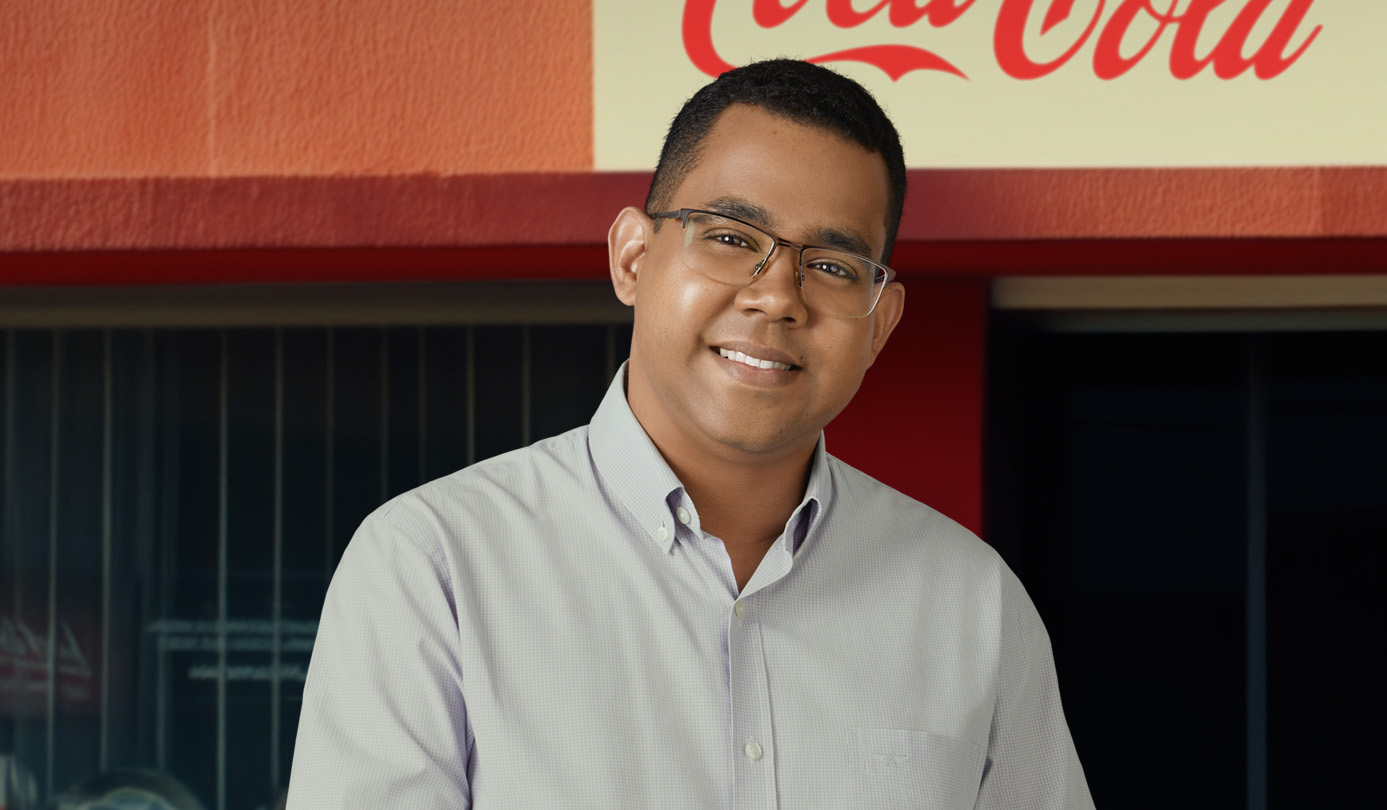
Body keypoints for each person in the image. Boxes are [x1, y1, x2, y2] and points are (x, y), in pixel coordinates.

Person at [288, 59, 1092, 809]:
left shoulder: (972, 605)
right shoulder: (436, 568)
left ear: (881, 324)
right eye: (733, 238)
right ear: (634, 257)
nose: (778, 297)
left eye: (834, 266)